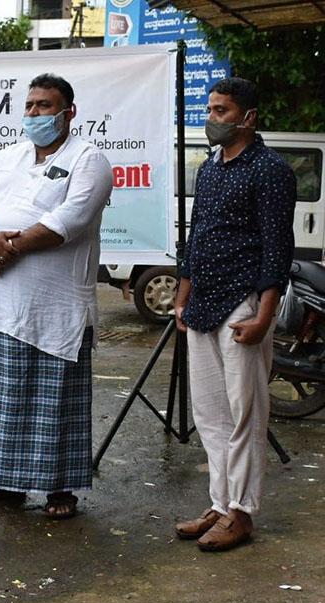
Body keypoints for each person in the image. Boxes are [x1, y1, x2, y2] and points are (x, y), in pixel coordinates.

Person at [0, 73, 113, 519]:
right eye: (29, 106)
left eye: (44, 106)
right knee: (0, 397)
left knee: (55, 402)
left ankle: (58, 489)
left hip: (56, 308)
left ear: (69, 113)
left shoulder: (90, 159)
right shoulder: (7, 156)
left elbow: (73, 218)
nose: (34, 114)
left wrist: (9, 247)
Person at [174, 77, 296, 551]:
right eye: (210, 109)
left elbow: (276, 249)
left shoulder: (270, 170)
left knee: (245, 414)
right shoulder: (210, 169)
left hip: (243, 304)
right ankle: (221, 504)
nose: (212, 118)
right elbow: (197, 234)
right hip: (202, 303)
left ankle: (242, 513)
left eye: (221, 111)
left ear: (248, 118)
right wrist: (182, 296)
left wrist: (265, 315)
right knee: (210, 415)